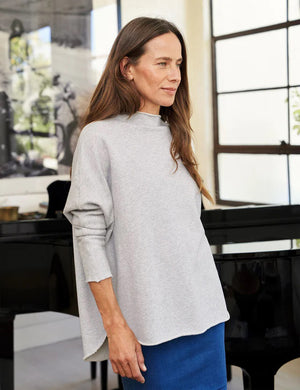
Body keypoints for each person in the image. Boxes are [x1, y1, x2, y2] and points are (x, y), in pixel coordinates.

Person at [63, 16, 230, 390]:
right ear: (127, 68)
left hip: (205, 316)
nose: (175, 75)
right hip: (149, 326)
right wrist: (115, 326)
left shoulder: (176, 133)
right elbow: (88, 238)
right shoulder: (99, 138)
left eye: (179, 64)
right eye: (163, 63)